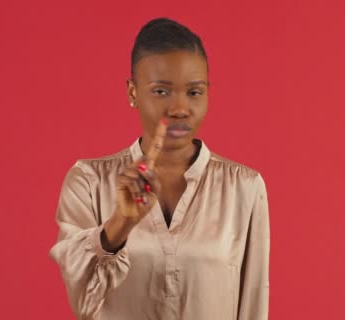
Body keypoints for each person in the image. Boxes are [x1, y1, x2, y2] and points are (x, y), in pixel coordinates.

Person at [49, 17, 270, 320]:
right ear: (132, 92)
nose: (179, 108)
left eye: (194, 92)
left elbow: (253, 305)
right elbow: (84, 303)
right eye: (161, 91)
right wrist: (120, 226)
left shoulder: (243, 186)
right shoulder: (88, 182)